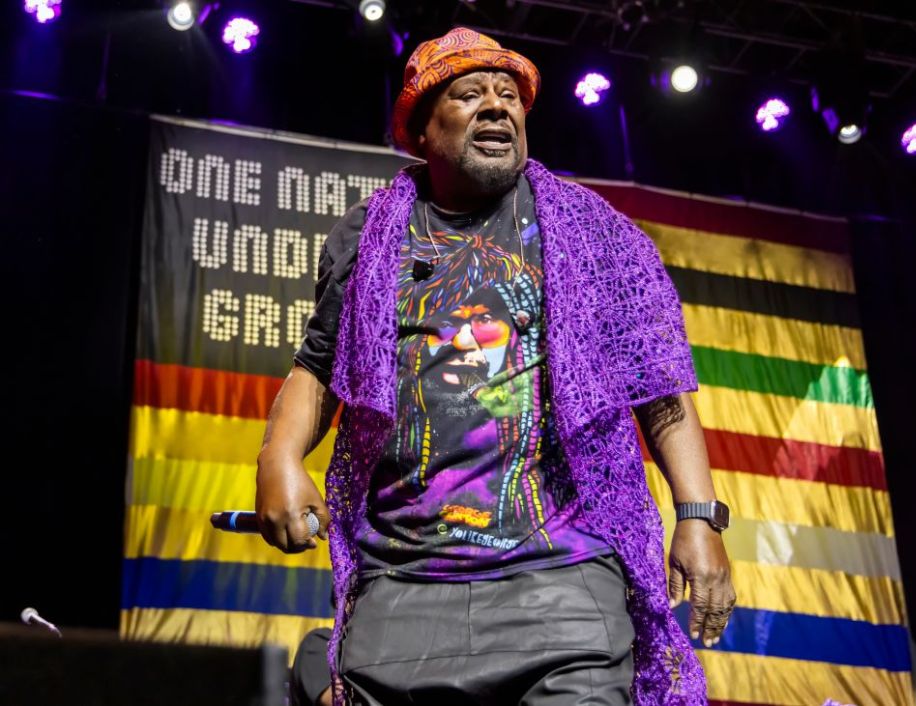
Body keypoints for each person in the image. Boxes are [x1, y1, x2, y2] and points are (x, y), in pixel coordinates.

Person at [256, 27, 735, 706]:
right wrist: (278, 457)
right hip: (403, 585)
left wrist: (699, 516)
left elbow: (658, 386)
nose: (496, 107)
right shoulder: (369, 235)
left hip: (564, 584)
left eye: (508, 95)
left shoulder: (592, 233)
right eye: (469, 94)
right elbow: (318, 366)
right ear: (422, 130)